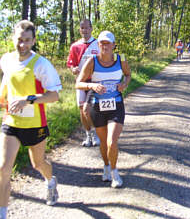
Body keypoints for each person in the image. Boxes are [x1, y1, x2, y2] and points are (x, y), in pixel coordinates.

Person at [0, 20, 62, 219]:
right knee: (3, 169)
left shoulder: (41, 64)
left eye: (27, 40)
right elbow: (7, 81)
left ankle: (50, 181)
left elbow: (54, 96)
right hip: (11, 122)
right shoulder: (6, 59)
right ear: (13, 39)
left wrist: (28, 100)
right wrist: (2, 98)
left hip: (35, 124)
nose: (22, 45)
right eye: (19, 40)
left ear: (34, 40)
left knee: (38, 164)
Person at [75, 31, 131, 188]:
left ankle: (114, 173)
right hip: (97, 107)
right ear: (98, 45)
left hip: (116, 105)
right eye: (101, 43)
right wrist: (92, 85)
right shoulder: (92, 61)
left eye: (108, 43)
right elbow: (78, 83)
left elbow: (128, 75)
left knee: (111, 141)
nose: (104, 46)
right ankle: (106, 167)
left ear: (114, 45)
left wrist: (124, 85)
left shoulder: (121, 60)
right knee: (103, 143)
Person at [67, 19, 100, 147]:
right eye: (82, 28)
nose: (85, 30)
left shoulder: (97, 44)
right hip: (81, 82)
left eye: (87, 28)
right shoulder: (75, 46)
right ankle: (88, 135)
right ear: (79, 30)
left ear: (91, 29)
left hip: (95, 82)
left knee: (92, 109)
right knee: (82, 109)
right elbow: (71, 64)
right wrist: (73, 69)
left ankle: (96, 133)